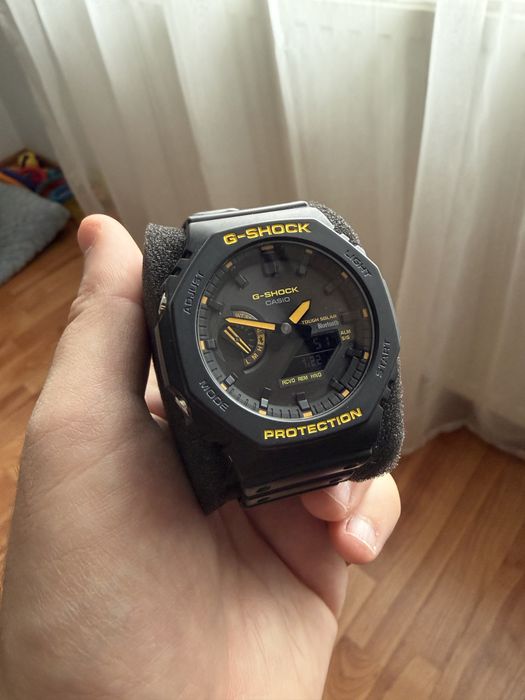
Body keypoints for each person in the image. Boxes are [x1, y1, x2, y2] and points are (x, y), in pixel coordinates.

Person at [0, 215, 401, 699]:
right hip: (245, 453)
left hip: (312, 433)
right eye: (255, 330)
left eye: (294, 321)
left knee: (342, 490)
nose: (284, 329)